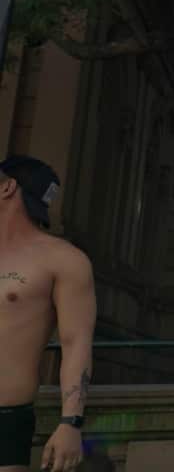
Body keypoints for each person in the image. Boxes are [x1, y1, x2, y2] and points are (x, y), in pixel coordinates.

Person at [0, 156, 95, 472]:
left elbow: (76, 343)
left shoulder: (64, 261)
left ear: (8, 187)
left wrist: (71, 422)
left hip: (6, 419)